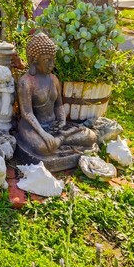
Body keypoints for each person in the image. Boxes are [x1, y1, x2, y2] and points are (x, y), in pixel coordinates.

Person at [15, 32, 97, 167]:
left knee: (90, 136)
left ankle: (59, 140)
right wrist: (43, 134)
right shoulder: (26, 82)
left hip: (53, 125)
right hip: (32, 128)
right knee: (42, 148)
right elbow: (27, 113)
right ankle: (61, 140)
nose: (52, 64)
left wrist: (62, 121)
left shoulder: (53, 79)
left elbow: (58, 105)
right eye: (47, 60)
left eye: (53, 60)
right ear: (33, 60)